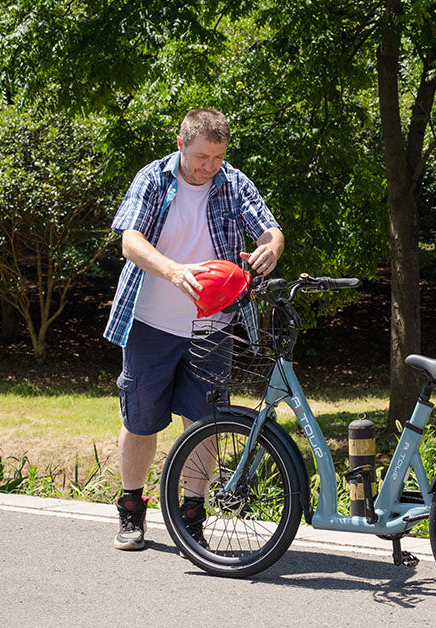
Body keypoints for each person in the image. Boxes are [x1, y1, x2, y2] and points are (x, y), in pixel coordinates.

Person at [103, 108, 284, 550]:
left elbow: (270, 231)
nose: (210, 166)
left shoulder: (234, 182)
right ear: (182, 144)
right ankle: (131, 511)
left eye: (218, 157)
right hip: (151, 323)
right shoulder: (153, 179)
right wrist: (173, 271)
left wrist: (270, 249)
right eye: (203, 156)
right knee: (141, 421)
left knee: (204, 422)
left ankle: (191, 514)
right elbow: (130, 241)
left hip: (212, 327)